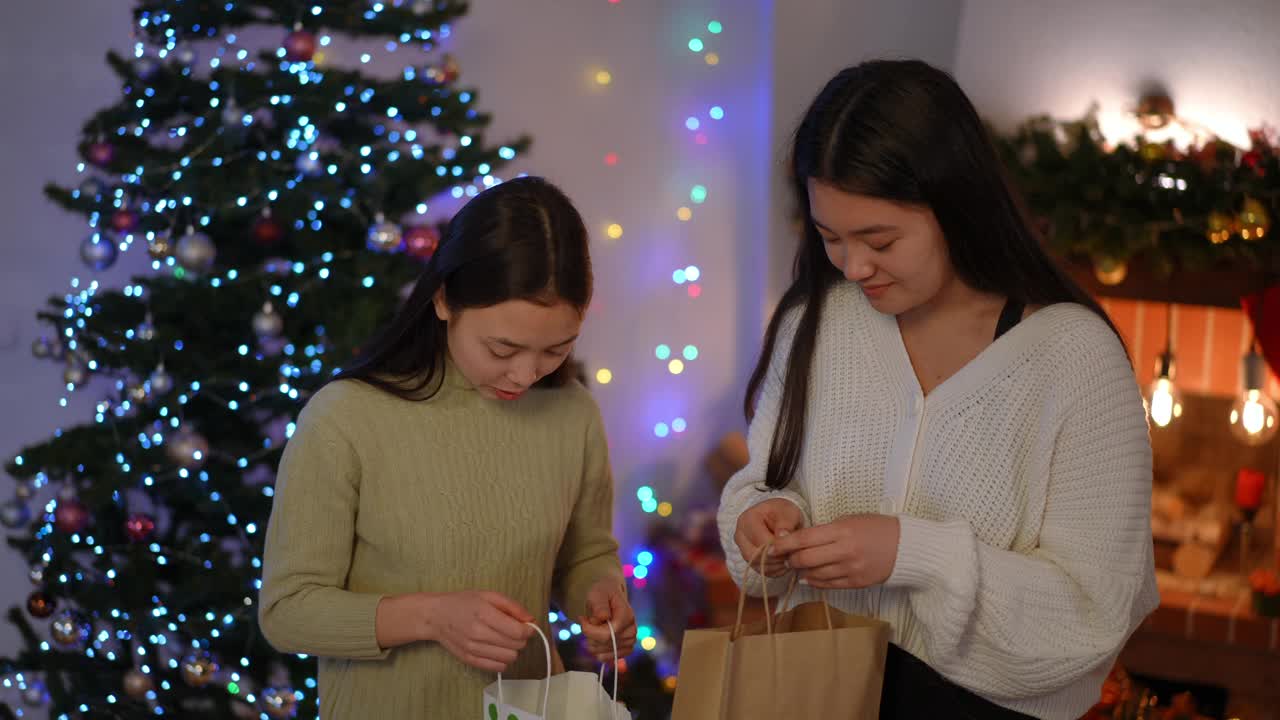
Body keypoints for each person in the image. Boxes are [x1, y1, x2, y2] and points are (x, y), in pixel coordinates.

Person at [718, 59, 1158, 720]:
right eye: (830, 237)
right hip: (812, 694)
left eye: (880, 239)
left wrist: (911, 554)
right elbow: (765, 483)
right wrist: (762, 520)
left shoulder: (1073, 359)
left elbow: (1094, 615)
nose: (854, 266)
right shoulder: (816, 322)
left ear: (957, 208)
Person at [259, 176, 637, 718]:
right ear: (443, 299)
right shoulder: (345, 417)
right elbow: (287, 611)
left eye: (556, 349)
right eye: (501, 347)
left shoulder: (572, 411)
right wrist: (432, 617)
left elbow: (587, 553)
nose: (526, 374)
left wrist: (602, 598)